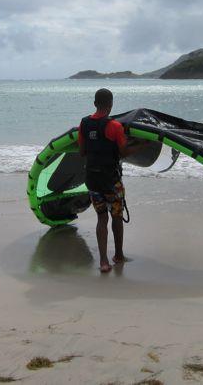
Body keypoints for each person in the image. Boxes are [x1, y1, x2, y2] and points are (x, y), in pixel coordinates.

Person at [78, 88, 140, 273]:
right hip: (111, 181)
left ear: (94, 103)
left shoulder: (84, 123)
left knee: (101, 218)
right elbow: (124, 152)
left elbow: (82, 152)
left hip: (92, 179)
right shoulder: (114, 126)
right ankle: (118, 255)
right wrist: (142, 145)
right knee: (117, 216)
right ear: (111, 104)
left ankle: (103, 261)